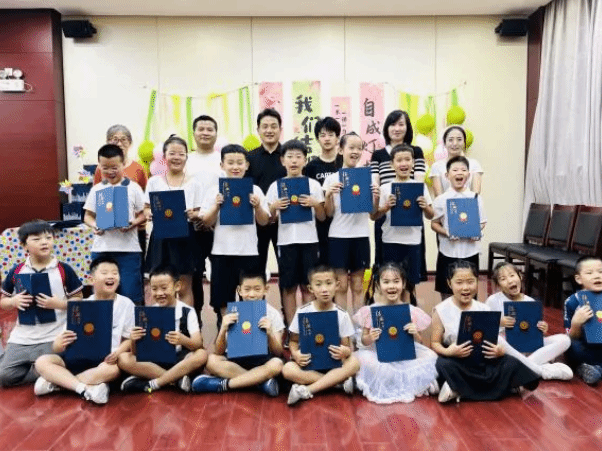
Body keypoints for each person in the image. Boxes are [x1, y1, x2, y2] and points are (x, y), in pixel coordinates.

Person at [431, 261, 539, 403]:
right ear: (449, 283)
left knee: (510, 362)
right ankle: (502, 388)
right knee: (442, 365)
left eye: (470, 282)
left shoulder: (484, 308)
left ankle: (459, 389)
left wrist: (499, 351)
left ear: (477, 282)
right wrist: (448, 352)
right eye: (459, 283)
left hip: (484, 361)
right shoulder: (440, 310)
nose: (465, 287)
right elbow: (435, 343)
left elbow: (494, 339)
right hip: (458, 360)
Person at [33, 256, 135, 404]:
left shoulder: (126, 304)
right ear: (91, 279)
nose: (111, 276)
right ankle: (85, 388)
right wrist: (60, 342)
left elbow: (129, 339)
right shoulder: (81, 306)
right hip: (75, 360)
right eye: (104, 273)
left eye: (115, 273)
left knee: (113, 370)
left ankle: (58, 383)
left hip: (105, 362)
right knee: (42, 362)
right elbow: (57, 347)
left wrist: (118, 352)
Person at [0, 220, 83, 387]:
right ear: (24, 246)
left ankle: (46, 371)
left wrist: (59, 304)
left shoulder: (63, 269)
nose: (44, 242)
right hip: (23, 337)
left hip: (54, 335)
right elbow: (3, 302)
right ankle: (44, 375)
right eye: (37, 239)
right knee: (5, 377)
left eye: (48, 238)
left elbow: (78, 299)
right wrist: (14, 301)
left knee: (71, 365)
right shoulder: (16, 271)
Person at [202, 145, 270, 324]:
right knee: (223, 299)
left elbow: (264, 221)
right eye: (230, 163)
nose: (235, 167)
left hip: (248, 252)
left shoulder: (255, 190)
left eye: (240, 163)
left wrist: (257, 206)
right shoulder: (214, 191)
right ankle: (227, 334)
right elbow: (206, 222)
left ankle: (250, 336)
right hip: (222, 253)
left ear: (247, 165)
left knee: (251, 297)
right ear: (222, 165)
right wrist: (216, 206)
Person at [353, 263, 438, 404]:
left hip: (404, 354)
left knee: (431, 356)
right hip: (377, 354)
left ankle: (396, 381)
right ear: (378, 285)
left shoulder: (410, 311)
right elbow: (363, 341)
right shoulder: (371, 311)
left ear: (403, 284)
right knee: (366, 361)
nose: (391, 286)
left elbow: (419, 342)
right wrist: (370, 337)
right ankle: (396, 381)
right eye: (386, 282)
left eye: (396, 281)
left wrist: (415, 333)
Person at [191, 272, 284, 396]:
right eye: (247, 289)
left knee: (277, 364)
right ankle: (260, 383)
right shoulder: (233, 312)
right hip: (236, 362)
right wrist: (223, 329)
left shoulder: (273, 314)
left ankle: (225, 384)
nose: (252, 294)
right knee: (211, 361)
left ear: (266, 289)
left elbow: (278, 352)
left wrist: (270, 334)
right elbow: (218, 352)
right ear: (239, 290)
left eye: (257, 289)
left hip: (262, 361)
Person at [119, 266, 208, 393]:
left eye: (164, 288)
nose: (160, 293)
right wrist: (133, 340)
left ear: (177, 286)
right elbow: (136, 353)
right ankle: (176, 380)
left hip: (180, 360)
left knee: (202, 355)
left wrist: (183, 340)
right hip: (155, 361)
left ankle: (155, 383)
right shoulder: (147, 313)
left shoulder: (187, 311)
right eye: (154, 289)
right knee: (123, 358)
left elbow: (198, 344)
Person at [266, 139, 325, 325]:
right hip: (286, 243)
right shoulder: (276, 186)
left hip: (309, 242)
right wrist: (274, 207)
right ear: (282, 160)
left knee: (308, 286)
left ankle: (309, 326)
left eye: (298, 157)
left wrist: (315, 204)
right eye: (289, 156)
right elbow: (269, 219)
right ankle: (292, 328)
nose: (294, 161)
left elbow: (322, 217)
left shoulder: (313, 185)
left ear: (305, 161)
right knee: (288, 287)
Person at [282, 265, 360, 405]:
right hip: (309, 365)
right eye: (318, 285)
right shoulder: (302, 312)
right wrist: (295, 354)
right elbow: (293, 341)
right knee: (287, 369)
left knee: (354, 363)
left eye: (329, 283)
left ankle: (307, 389)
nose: (324, 289)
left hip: (333, 365)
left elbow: (347, 348)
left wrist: (345, 351)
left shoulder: (342, 314)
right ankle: (337, 384)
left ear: (337, 285)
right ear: (310, 288)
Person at [486, 262, 572, 380]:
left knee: (565, 340)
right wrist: (498, 321)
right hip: (507, 347)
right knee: (497, 339)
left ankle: (522, 367)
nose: (510, 281)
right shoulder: (493, 300)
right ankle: (539, 370)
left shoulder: (530, 301)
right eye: (503, 279)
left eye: (512, 275)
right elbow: (486, 328)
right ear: (499, 286)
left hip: (528, 345)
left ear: (520, 277)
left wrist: (542, 328)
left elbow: (534, 331)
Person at [144, 135, 204, 307]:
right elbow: (146, 208)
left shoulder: (195, 183)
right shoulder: (154, 182)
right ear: (164, 156)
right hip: (160, 238)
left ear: (186, 157)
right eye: (172, 153)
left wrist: (194, 214)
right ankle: (160, 322)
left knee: (184, 286)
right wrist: (150, 214)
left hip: (185, 238)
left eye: (181, 154)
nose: (177, 157)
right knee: (158, 284)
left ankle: (185, 322)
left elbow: (199, 212)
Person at [83, 144, 146, 305]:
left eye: (114, 167)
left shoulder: (133, 188)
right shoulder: (97, 189)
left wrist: (133, 223)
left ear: (123, 164)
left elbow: (143, 213)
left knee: (131, 294)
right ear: (99, 166)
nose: (110, 171)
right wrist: (95, 225)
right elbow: (87, 216)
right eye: (105, 168)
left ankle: (132, 322)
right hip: (102, 249)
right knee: (102, 295)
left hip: (128, 250)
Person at [324, 132, 379, 310]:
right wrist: (328, 195)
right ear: (341, 150)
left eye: (359, 148)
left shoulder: (368, 178)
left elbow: (373, 213)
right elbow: (328, 213)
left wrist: (376, 197)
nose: (355, 152)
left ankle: (357, 325)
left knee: (357, 286)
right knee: (340, 286)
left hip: (360, 236)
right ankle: (343, 325)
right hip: (338, 237)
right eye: (351, 147)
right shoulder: (332, 179)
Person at [371, 144, 434, 287]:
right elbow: (373, 216)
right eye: (399, 160)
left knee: (410, 285)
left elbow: (431, 215)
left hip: (413, 242)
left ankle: (410, 302)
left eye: (407, 159)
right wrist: (386, 207)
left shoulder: (420, 187)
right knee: (391, 282)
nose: (404, 163)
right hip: (390, 241)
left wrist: (425, 207)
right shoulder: (384, 188)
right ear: (391, 164)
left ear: (413, 163)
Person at [370, 110, 426, 267]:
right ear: (386, 128)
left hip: (410, 211)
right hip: (386, 210)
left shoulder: (416, 151)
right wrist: (380, 205)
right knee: (386, 262)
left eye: (401, 124)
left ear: (407, 128)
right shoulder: (378, 154)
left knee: (412, 263)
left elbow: (418, 184)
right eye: (392, 124)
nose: (397, 128)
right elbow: (375, 184)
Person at [93, 125, 148, 271]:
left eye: (123, 139)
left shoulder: (138, 168)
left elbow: (145, 197)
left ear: (130, 143)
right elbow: (98, 196)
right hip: (108, 231)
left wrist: (136, 221)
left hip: (134, 229)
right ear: (107, 142)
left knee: (135, 271)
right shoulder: (100, 169)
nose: (119, 143)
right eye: (114, 139)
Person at [431, 156, 486, 298]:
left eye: (463, 170)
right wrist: (447, 232)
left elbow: (482, 222)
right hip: (448, 251)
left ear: (469, 174)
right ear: (447, 175)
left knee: (469, 290)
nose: (459, 173)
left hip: (470, 251)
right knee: (446, 291)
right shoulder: (441, 199)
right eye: (455, 170)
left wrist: (476, 231)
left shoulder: (476, 198)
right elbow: (434, 224)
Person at [186, 115, 223, 321]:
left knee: (220, 273)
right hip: (193, 225)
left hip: (220, 225)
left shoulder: (222, 160)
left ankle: (221, 316)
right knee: (194, 273)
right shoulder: (186, 159)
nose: (205, 133)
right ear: (194, 133)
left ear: (216, 133)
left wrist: (211, 218)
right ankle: (195, 319)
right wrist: (196, 216)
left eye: (210, 129)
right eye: (201, 129)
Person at [246, 109, 287, 276]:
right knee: (255, 269)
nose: (269, 130)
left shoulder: (289, 156)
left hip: (284, 220)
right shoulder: (249, 158)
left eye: (273, 126)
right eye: (265, 126)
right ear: (258, 130)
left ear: (280, 129)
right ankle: (256, 295)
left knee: (287, 269)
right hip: (257, 221)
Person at [306, 117, 343, 265]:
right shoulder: (311, 167)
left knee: (340, 267)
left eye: (331, 135)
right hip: (319, 223)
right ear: (317, 139)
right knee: (322, 266)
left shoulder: (344, 163)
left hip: (342, 221)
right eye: (322, 135)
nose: (327, 139)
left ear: (337, 138)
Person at [563, 256, 602, 384]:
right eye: (590, 273)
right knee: (569, 345)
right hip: (585, 349)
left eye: (600, 272)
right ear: (578, 279)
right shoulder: (572, 302)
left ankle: (592, 369)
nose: (597, 276)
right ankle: (586, 367)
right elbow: (571, 336)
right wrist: (576, 323)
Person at [429, 125, 483, 197]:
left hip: (469, 203)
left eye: (459, 139)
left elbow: (476, 194)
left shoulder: (474, 164)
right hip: (445, 204)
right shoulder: (437, 166)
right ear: (444, 143)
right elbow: (438, 196)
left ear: (464, 142)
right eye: (450, 140)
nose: (455, 143)